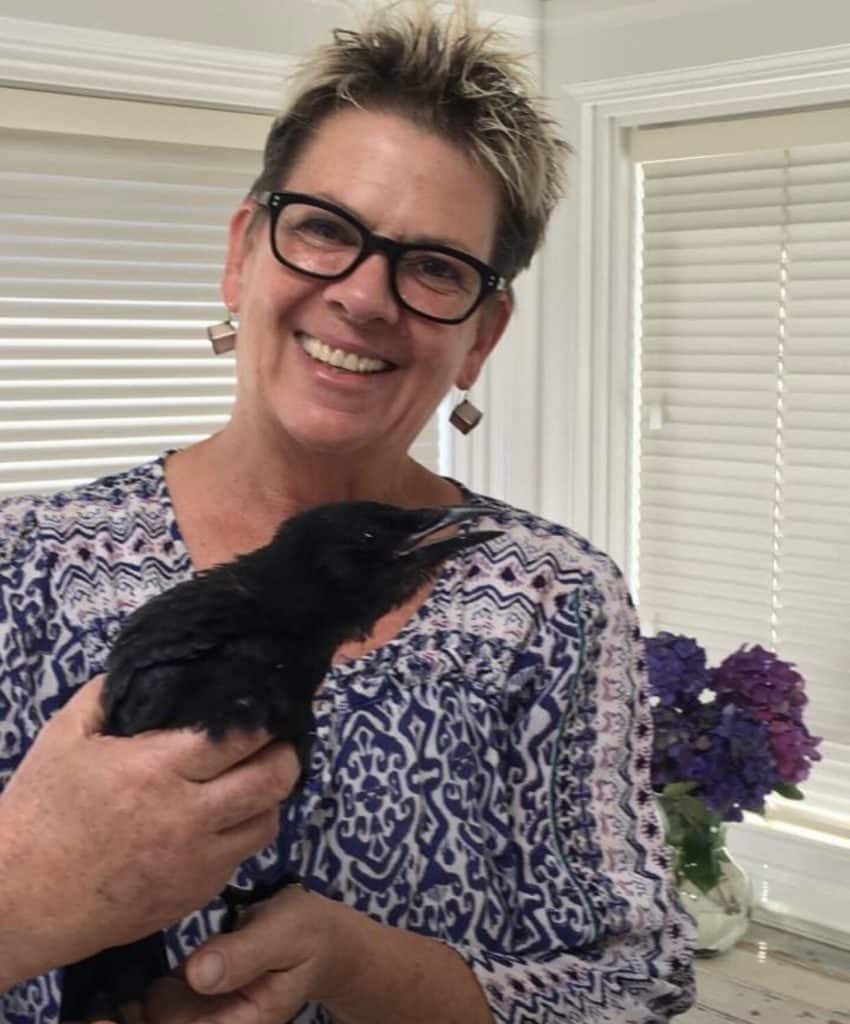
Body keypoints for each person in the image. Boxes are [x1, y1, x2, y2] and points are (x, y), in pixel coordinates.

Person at [0, 3, 696, 1022]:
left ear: (482, 333)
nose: (365, 298)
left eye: (433, 266)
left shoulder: (549, 601)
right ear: (243, 253)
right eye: (324, 228)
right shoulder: (28, 565)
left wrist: (365, 967)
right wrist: (30, 888)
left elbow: (639, 983)